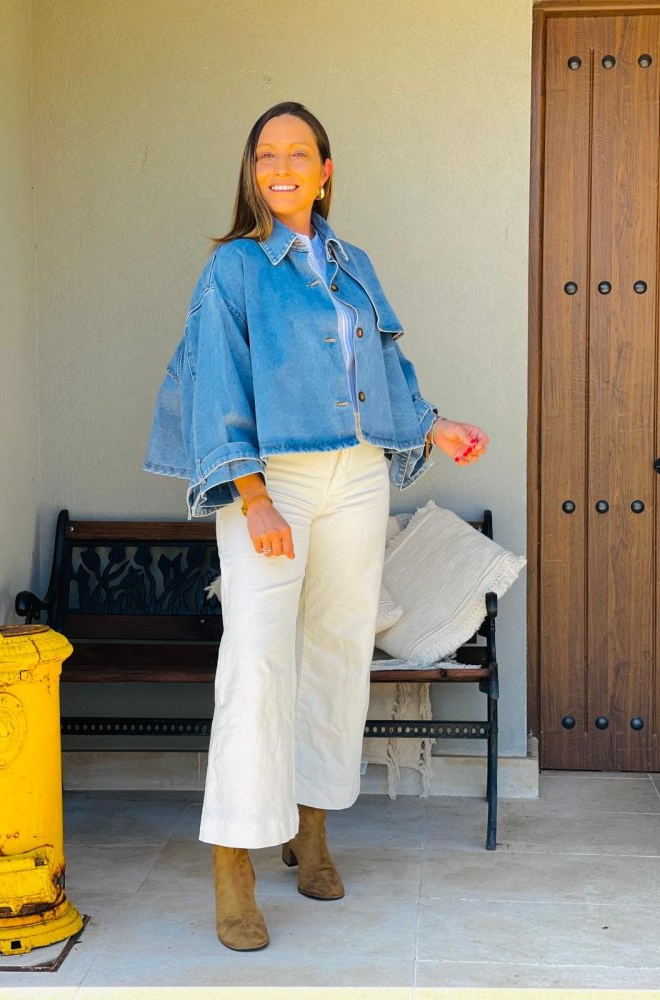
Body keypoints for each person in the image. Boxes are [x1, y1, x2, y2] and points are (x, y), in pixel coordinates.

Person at [144, 101, 489, 951]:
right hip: (276, 481)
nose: (282, 167)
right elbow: (218, 381)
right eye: (267, 154)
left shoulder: (351, 263)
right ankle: (234, 858)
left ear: (325, 171)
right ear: (252, 171)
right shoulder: (234, 268)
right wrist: (252, 495)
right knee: (258, 661)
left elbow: (385, 366)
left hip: (357, 475)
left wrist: (433, 426)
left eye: (299, 153)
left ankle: (312, 825)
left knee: (337, 653)